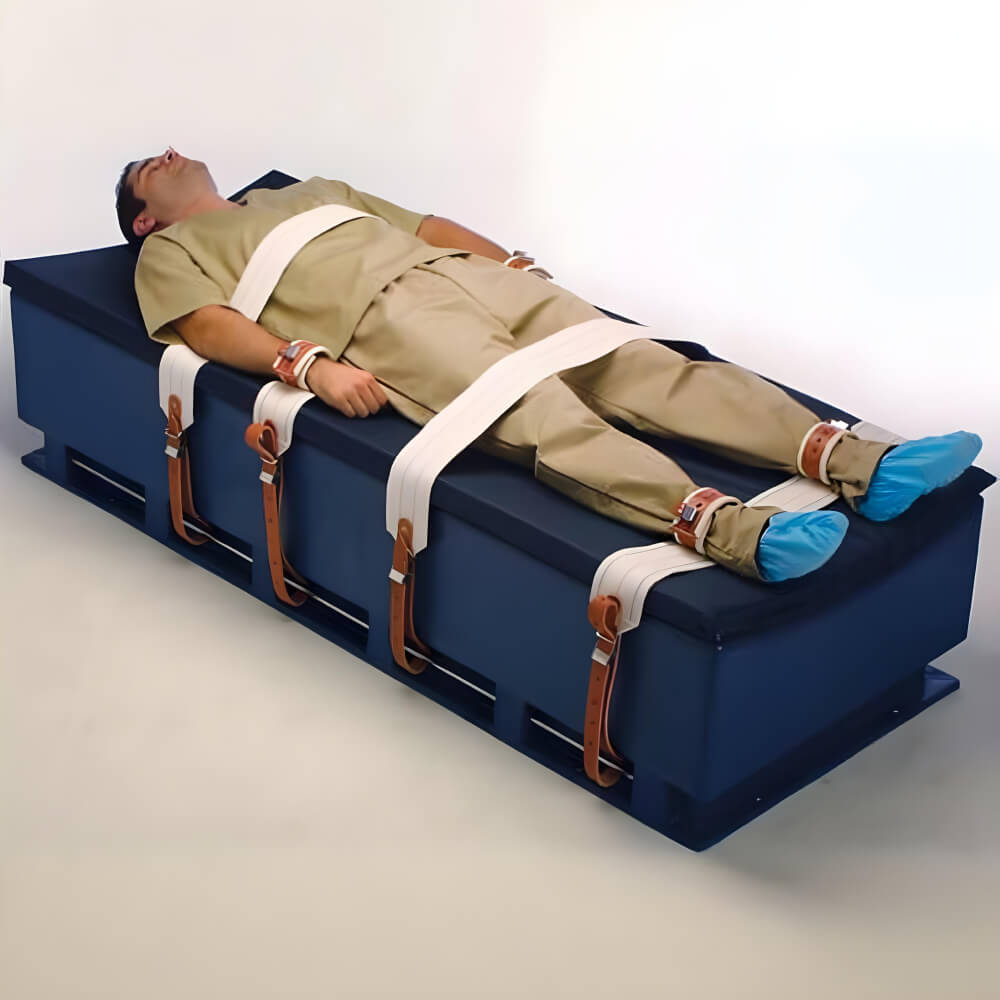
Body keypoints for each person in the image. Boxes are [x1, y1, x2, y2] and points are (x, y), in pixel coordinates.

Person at [116, 147, 982, 585]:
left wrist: (516, 266)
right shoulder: (170, 253)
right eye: (142, 171)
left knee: (637, 361)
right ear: (144, 219)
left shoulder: (308, 191)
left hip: (462, 276)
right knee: (544, 415)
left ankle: (861, 464)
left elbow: (424, 225)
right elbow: (205, 325)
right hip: (381, 321)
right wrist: (304, 366)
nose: (165, 154)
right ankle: (736, 536)